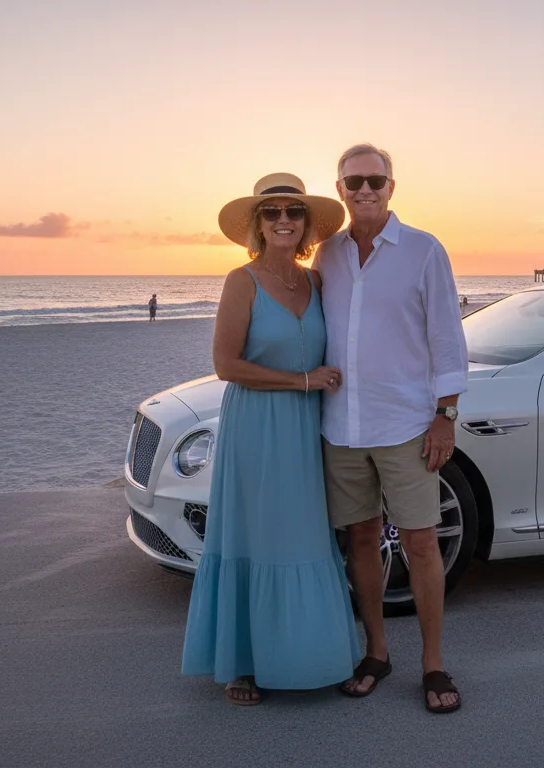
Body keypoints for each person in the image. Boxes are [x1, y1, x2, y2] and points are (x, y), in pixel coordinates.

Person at [180, 172, 359, 705]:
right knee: (256, 536)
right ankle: (245, 663)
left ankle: (315, 656)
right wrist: (300, 381)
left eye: (294, 211)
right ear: (257, 225)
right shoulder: (242, 280)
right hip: (257, 426)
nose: (284, 219)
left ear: (306, 224)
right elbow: (225, 364)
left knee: (305, 536)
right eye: (272, 211)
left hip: (307, 426)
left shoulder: (316, 280)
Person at [311, 144, 468, 714]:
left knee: (422, 543)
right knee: (359, 540)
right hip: (342, 426)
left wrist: (445, 415)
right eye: (353, 183)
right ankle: (376, 652)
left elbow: (448, 338)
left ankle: (432, 662)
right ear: (340, 190)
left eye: (374, 180)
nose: (364, 190)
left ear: (392, 186)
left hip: (405, 422)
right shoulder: (325, 255)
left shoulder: (424, 251)